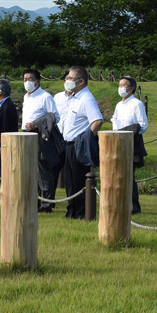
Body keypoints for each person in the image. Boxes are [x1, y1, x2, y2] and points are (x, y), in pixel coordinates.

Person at [56, 66, 103, 219]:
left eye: (70, 79)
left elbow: (97, 121)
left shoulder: (86, 98)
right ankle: (72, 210)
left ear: (81, 81)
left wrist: (85, 138)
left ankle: (82, 212)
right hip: (68, 144)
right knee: (70, 182)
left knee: (79, 181)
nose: (67, 81)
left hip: (79, 145)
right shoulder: (75, 98)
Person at [22, 68, 62, 213]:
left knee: (44, 171)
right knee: (32, 170)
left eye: (30, 79)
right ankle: (36, 200)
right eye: (25, 79)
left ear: (37, 81)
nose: (27, 82)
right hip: (27, 135)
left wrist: (36, 123)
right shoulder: (26, 96)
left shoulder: (45, 97)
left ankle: (47, 203)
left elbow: (55, 117)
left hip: (41, 136)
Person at [111, 75, 148, 214]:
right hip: (117, 141)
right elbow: (115, 120)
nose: (121, 88)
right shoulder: (119, 105)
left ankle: (133, 207)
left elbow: (143, 125)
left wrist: (128, 132)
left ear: (131, 88)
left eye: (123, 85)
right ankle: (120, 203)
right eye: (119, 85)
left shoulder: (137, 104)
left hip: (131, 142)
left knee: (129, 176)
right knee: (119, 175)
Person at [0, 79, 19, 161]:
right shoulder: (2, 104)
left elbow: (8, 128)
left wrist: (3, 147)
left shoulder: (7, 106)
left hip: (4, 148)